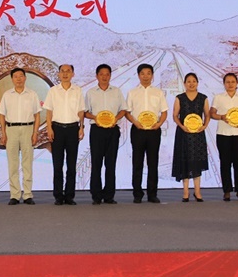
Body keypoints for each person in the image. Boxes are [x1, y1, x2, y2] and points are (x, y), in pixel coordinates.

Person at [125, 63, 168, 203]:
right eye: (142, 73)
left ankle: (152, 194)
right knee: (137, 162)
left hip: (154, 131)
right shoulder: (132, 92)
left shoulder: (158, 92)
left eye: (148, 73)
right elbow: (127, 112)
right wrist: (135, 122)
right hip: (138, 130)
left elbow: (164, 112)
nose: (145, 76)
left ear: (152, 75)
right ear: (138, 75)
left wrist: (159, 124)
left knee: (153, 162)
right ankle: (137, 194)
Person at [0, 68, 41, 205]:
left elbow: (37, 115)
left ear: (25, 78)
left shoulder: (32, 94)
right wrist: (3, 132)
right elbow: (1, 115)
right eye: (15, 76)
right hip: (11, 129)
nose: (18, 79)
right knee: (13, 163)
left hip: (28, 128)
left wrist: (35, 132)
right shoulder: (7, 95)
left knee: (27, 163)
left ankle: (27, 194)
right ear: (12, 79)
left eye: (21, 76)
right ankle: (15, 195)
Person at [85, 64, 127, 205]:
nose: (104, 77)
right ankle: (96, 195)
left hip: (112, 131)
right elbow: (85, 112)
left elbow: (123, 110)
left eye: (107, 74)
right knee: (96, 163)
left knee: (111, 163)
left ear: (110, 76)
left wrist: (116, 118)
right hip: (96, 130)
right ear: (97, 76)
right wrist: (95, 117)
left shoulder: (116, 91)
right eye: (101, 74)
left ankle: (109, 195)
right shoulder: (91, 92)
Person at [45, 64, 85, 205]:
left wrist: (81, 127)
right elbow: (49, 111)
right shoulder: (53, 91)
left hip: (73, 129)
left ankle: (69, 196)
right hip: (57, 129)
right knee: (57, 164)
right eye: (62, 71)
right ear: (59, 74)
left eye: (68, 71)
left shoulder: (77, 90)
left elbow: (81, 111)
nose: (65, 74)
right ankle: (58, 196)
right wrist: (49, 128)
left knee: (71, 165)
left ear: (73, 74)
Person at [210, 73, 238, 201]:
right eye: (227, 82)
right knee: (225, 163)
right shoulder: (218, 98)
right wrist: (221, 117)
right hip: (223, 134)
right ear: (224, 84)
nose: (230, 84)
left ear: (237, 83)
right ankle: (227, 191)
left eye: (233, 82)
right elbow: (212, 113)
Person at [171, 73, 210, 202]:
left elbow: (207, 115)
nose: (191, 83)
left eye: (194, 81)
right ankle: (186, 192)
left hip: (198, 134)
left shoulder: (203, 98)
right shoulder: (179, 98)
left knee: (197, 161)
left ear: (197, 83)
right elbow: (175, 116)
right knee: (185, 161)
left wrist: (204, 126)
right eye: (188, 81)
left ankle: (197, 192)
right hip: (184, 134)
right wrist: (182, 126)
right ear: (184, 84)